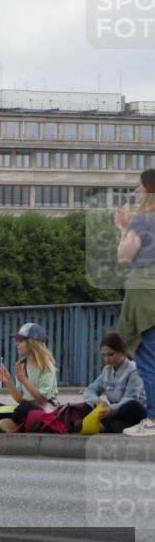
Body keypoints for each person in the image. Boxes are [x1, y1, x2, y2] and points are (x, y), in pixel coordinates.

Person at [116, 167, 155, 436]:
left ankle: (152, 419)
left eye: (138, 187)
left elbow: (124, 255)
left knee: (149, 359)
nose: (135, 191)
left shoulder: (144, 220)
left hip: (146, 297)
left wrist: (124, 228)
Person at [0, 322, 59, 433]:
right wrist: (8, 382)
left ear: (32, 343)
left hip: (44, 410)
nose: (17, 344)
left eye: (21, 341)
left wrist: (24, 380)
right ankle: (10, 424)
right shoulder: (22, 365)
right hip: (24, 409)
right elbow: (20, 398)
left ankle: (11, 425)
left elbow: (41, 400)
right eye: (17, 341)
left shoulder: (47, 367)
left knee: (25, 406)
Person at [77, 331, 146, 433]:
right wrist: (96, 400)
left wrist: (111, 410)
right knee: (87, 406)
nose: (107, 359)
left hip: (131, 412)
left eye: (110, 354)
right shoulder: (107, 371)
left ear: (122, 352)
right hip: (113, 414)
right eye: (104, 355)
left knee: (132, 406)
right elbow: (90, 390)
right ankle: (111, 425)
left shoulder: (134, 370)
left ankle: (104, 426)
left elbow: (130, 398)